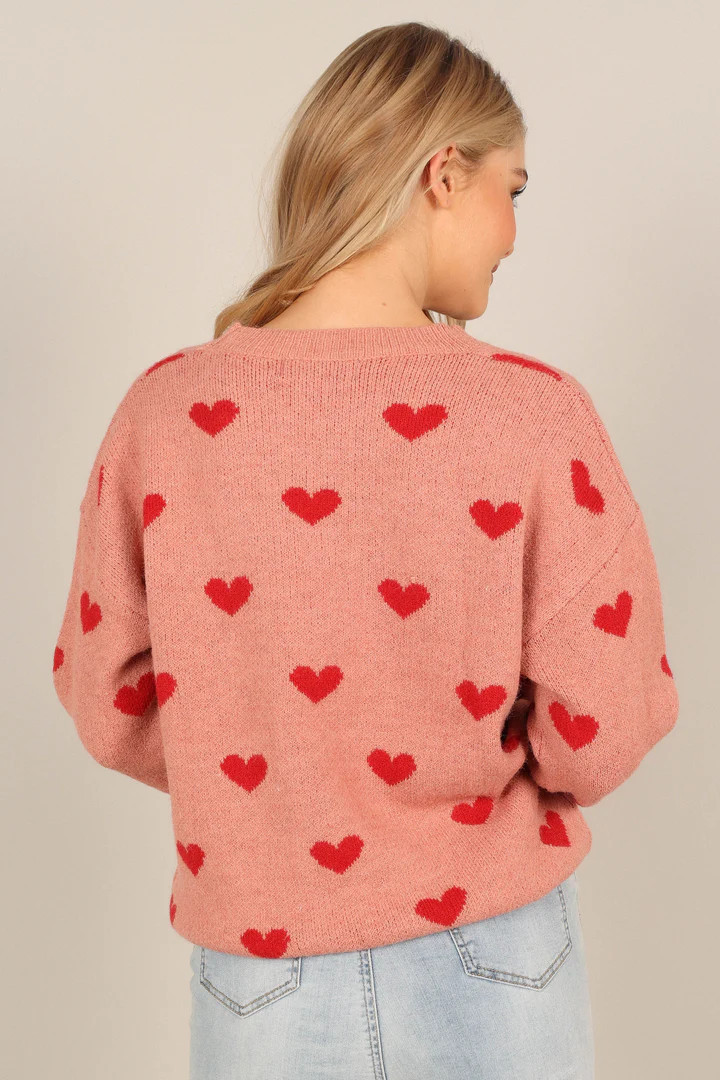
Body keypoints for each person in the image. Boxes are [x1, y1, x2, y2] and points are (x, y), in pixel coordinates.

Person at [52, 21, 679, 1080]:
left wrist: (275, 778)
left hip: (261, 965)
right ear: (444, 174)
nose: (514, 233)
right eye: (512, 190)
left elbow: (106, 696)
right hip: (495, 952)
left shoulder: (167, 414)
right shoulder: (534, 416)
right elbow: (604, 726)